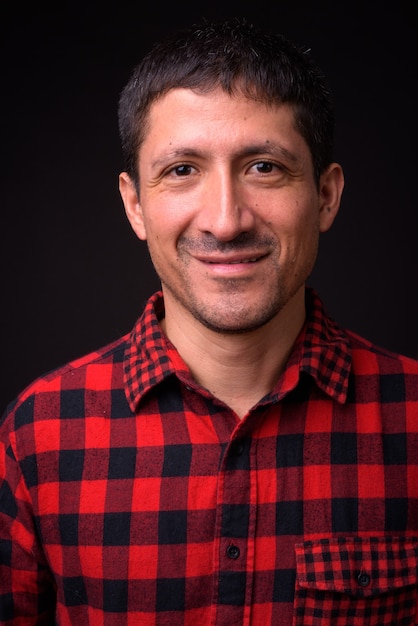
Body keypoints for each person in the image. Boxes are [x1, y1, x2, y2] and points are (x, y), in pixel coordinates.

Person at [1, 17, 417, 626]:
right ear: (135, 205)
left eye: (264, 167)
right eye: (182, 170)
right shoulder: (36, 436)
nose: (226, 221)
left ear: (326, 196)